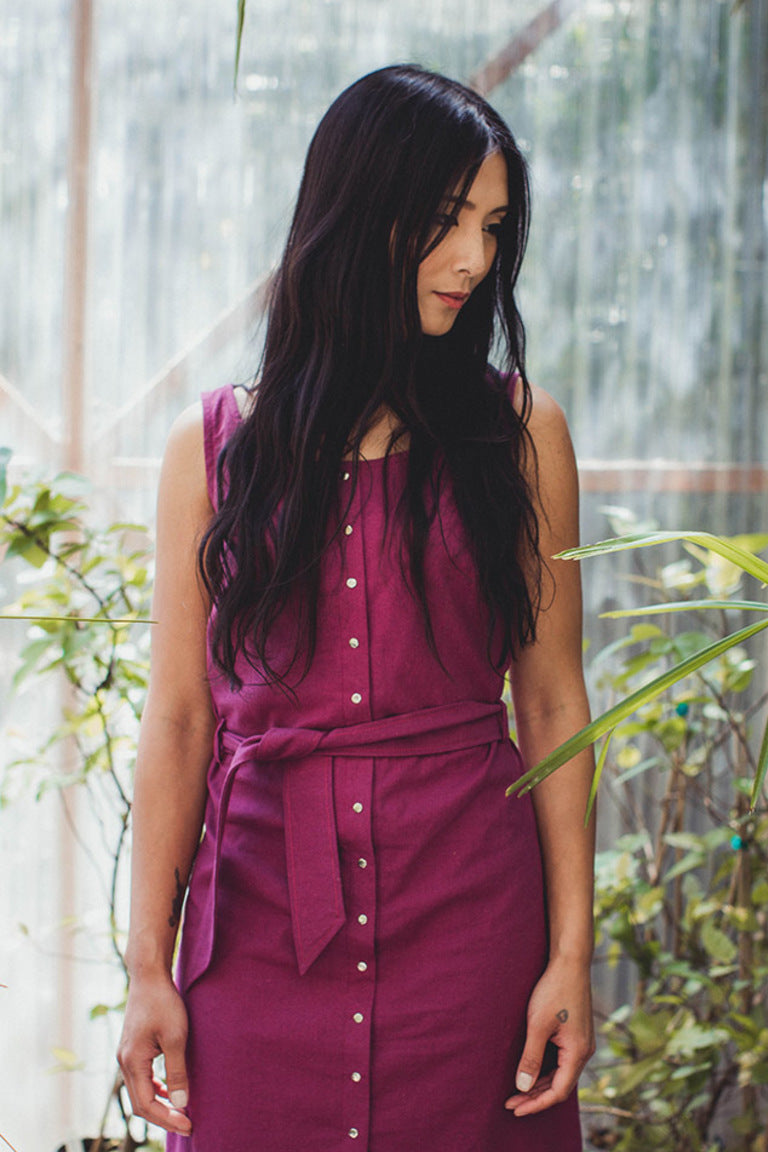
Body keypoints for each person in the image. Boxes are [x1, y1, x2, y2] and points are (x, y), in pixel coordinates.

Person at [117, 64, 595, 1151]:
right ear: (356, 209)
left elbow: (553, 705)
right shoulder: (212, 448)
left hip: (472, 926)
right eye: (446, 219)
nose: (475, 259)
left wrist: (571, 953)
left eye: (493, 227)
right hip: (258, 933)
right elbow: (181, 720)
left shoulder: (523, 434)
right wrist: (148, 966)